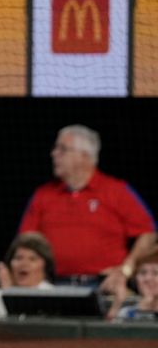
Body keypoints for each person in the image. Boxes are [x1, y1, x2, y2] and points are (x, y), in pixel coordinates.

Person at [18, 124, 156, 318]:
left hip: (104, 287)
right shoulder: (43, 195)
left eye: (62, 149)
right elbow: (26, 242)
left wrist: (125, 270)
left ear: (84, 156)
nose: (54, 154)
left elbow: (148, 234)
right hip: (53, 287)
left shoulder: (115, 191)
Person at [0, 232, 55, 318]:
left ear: (45, 265)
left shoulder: (52, 296)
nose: (24, 264)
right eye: (18, 258)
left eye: (32, 259)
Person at [116, 252, 158, 320]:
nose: (148, 278)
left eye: (155, 273)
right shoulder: (125, 313)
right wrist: (142, 308)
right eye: (143, 273)